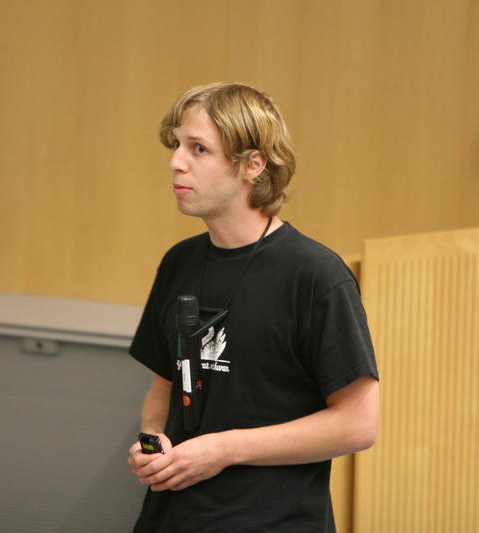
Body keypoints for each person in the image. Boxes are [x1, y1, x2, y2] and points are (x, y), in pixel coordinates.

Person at [126, 82, 380, 532]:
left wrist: (224, 449)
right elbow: (165, 382)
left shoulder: (316, 276)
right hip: (171, 519)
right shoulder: (179, 261)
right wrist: (151, 440)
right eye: (177, 145)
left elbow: (357, 425)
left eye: (198, 149)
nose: (176, 162)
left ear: (253, 165)